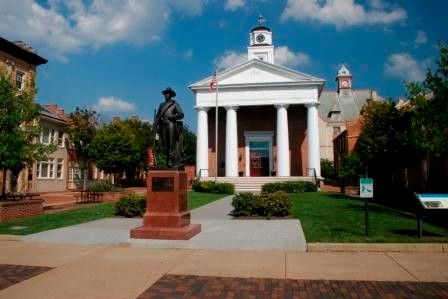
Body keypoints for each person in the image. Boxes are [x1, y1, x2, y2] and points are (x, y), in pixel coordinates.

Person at [153, 87, 184, 167]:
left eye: (167, 93)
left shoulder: (175, 104)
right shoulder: (161, 105)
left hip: (171, 125)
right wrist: (154, 125)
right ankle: (167, 158)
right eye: (165, 94)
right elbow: (157, 116)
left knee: (171, 143)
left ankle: (170, 159)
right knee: (164, 144)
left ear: (171, 95)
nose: (166, 95)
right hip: (162, 125)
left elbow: (181, 114)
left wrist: (172, 116)